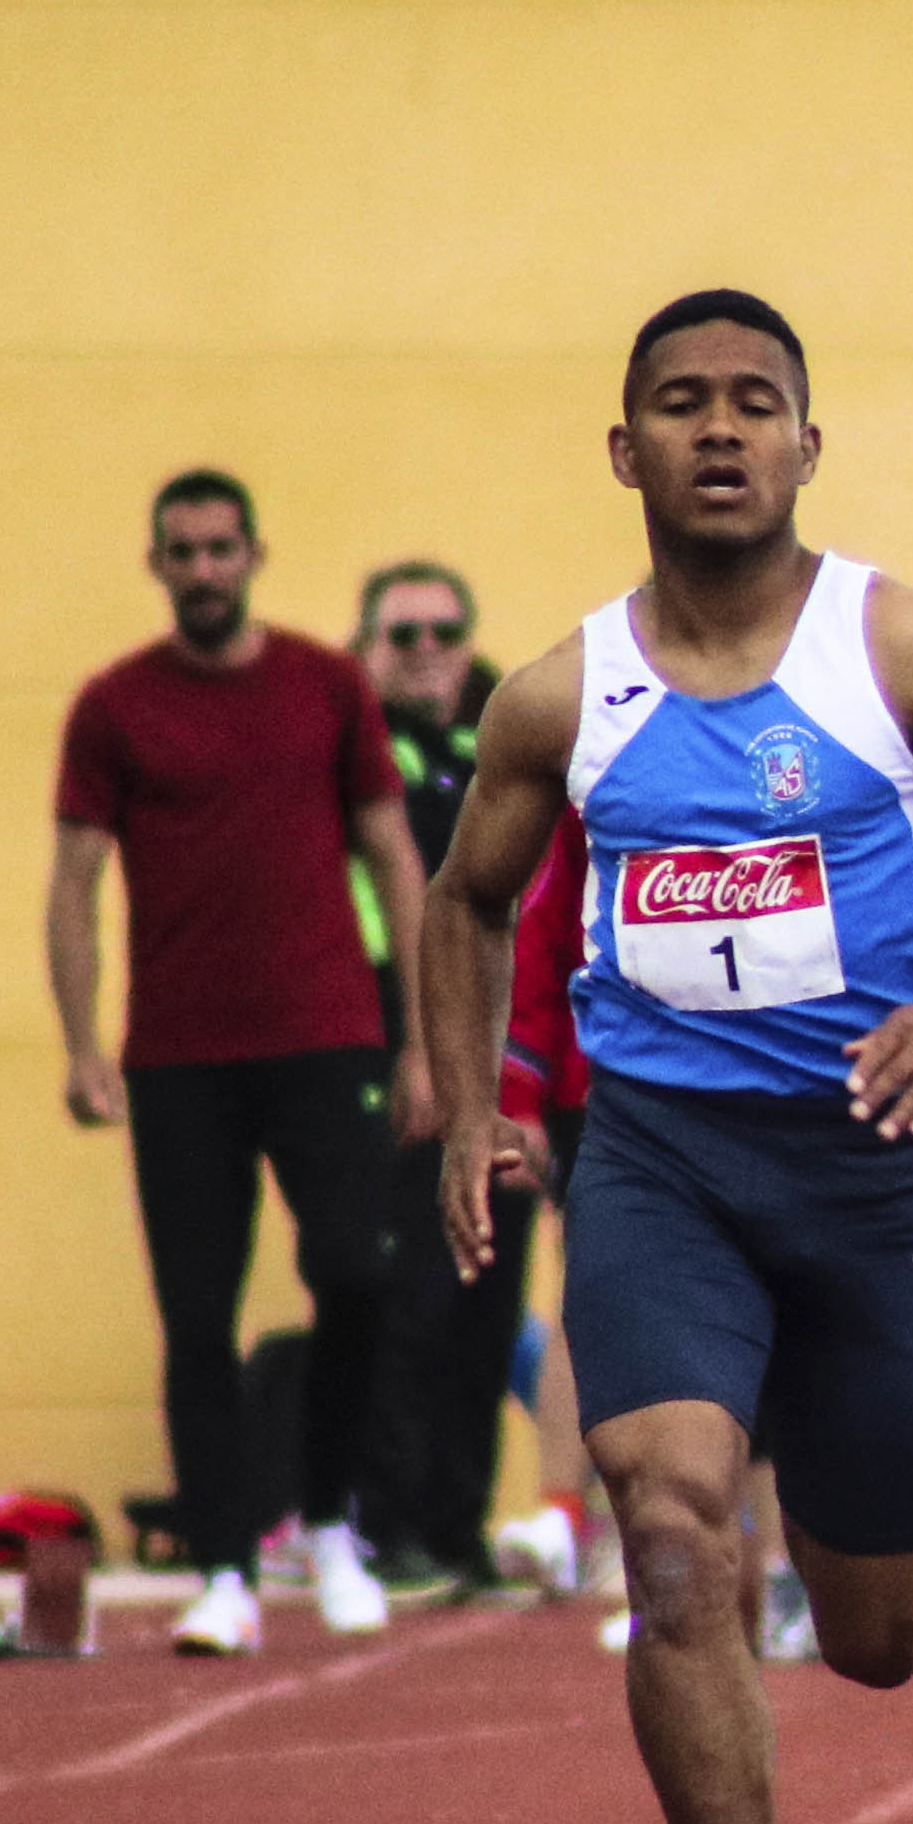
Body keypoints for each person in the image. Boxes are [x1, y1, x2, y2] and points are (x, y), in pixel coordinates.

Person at [420, 287, 913, 1824]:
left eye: (752, 402)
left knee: (880, 1635)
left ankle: (827, 1439)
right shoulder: (561, 695)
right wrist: (477, 1107)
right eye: (680, 403)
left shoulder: (910, 655)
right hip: (658, 1161)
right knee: (668, 1525)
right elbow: (466, 900)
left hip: (867, 1169)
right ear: (624, 449)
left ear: (808, 443)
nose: (718, 430)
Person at [50, 470, 426, 1654]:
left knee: (357, 1274)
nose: (205, 569)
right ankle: (223, 1568)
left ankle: (328, 1521)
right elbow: (74, 882)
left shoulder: (327, 684)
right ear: (156, 564)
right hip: (180, 1057)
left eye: (222, 548)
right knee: (197, 1313)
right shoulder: (113, 706)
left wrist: (423, 1042)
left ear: (256, 554)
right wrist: (81, 1043)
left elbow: (393, 856)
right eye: (184, 551)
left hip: (327, 1035)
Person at [354, 560, 527, 1591]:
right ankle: (391, 1522)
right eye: (403, 632)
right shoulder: (352, 755)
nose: (427, 651)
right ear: (367, 646)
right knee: (411, 1289)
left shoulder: (502, 748)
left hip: (502, 1054)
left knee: (488, 1294)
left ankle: (460, 1524)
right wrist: (409, 1051)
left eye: (445, 631)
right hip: (396, 1043)